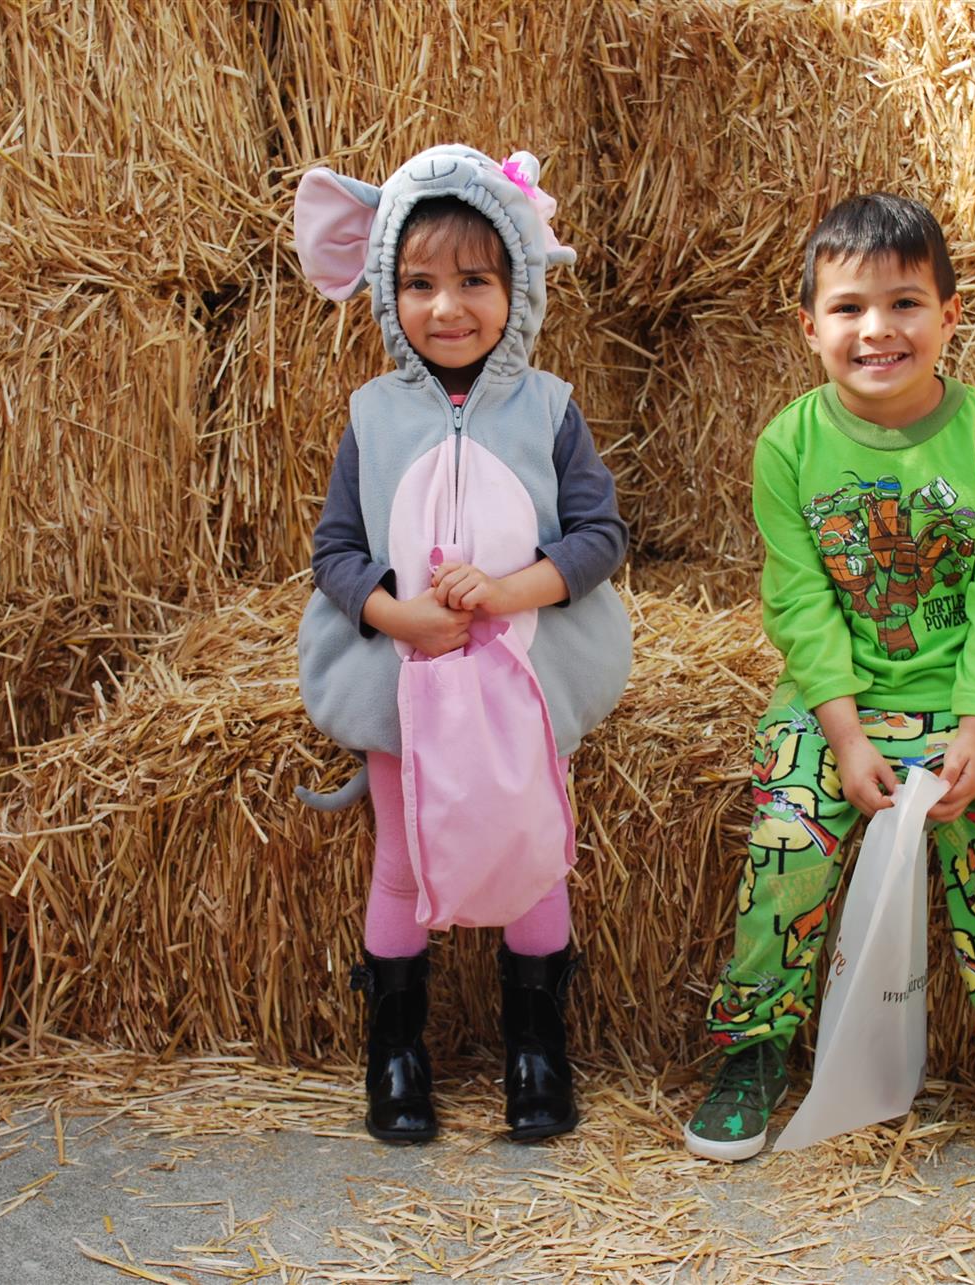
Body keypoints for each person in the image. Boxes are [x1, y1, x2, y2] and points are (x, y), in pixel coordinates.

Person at [681, 193, 975, 1178]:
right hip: (831, 700)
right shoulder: (789, 447)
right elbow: (800, 604)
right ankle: (753, 1049)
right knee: (788, 836)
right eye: (847, 308)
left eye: (905, 303)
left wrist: (974, 732)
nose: (877, 329)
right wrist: (841, 739)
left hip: (966, 698)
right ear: (809, 328)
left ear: (950, 316)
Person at [291, 145, 631, 1145]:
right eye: (421, 283)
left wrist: (508, 589)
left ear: (516, 286)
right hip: (410, 681)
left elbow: (599, 536)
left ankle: (538, 1048)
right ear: (389, 294)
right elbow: (336, 550)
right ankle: (395, 1054)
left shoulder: (550, 409)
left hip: (522, 679)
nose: (448, 307)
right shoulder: (373, 415)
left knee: (533, 861)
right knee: (399, 861)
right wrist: (398, 614)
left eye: (475, 281)